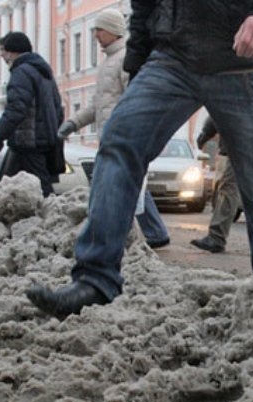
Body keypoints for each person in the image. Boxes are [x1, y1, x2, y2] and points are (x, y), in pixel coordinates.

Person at [26, 1, 253, 320]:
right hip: (172, 56)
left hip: (245, 56)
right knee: (119, 141)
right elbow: (143, 6)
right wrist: (137, 65)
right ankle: (94, 281)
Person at [58, 9, 170, 249]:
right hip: (110, 133)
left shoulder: (126, 59)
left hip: (123, 135)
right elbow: (97, 105)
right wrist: (73, 123)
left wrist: (126, 130)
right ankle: (152, 231)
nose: (96, 34)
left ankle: (137, 232)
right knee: (129, 182)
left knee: (121, 182)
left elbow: (133, 98)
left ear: (113, 30)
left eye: (99, 29)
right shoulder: (110, 61)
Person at [0, 32, 64, 197]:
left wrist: (0, 133)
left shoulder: (21, 72)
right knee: (8, 186)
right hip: (43, 138)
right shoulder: (42, 70)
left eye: (3, 50)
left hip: (28, 140)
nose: (2, 54)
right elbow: (57, 107)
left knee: (38, 186)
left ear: (12, 51)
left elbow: (16, 107)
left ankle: (53, 217)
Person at [190, 116, 243, 254]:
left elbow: (217, 109)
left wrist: (204, 135)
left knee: (228, 190)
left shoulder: (232, 95)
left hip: (240, 145)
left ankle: (217, 238)